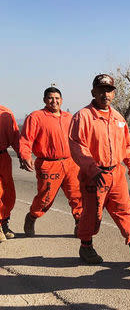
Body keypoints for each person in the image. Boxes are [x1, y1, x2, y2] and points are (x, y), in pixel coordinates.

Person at [69, 74, 130, 264]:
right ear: (93, 92)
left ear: (114, 94)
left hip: (116, 173)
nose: (105, 94)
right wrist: (92, 169)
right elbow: (77, 146)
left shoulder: (118, 117)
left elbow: (126, 143)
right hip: (94, 175)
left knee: (124, 209)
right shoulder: (83, 117)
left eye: (109, 90)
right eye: (101, 90)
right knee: (92, 213)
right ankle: (86, 247)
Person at [20, 87, 82, 237]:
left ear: (61, 100)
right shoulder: (36, 117)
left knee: (77, 196)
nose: (54, 101)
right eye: (50, 98)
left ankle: (80, 225)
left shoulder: (69, 117)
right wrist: (25, 155)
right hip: (48, 165)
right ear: (44, 100)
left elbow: (79, 139)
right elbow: (26, 139)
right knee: (45, 199)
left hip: (70, 163)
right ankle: (32, 217)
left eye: (57, 98)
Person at [0, 105, 20, 242]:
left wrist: (22, 155)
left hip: (3, 157)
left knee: (8, 194)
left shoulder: (6, 112)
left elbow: (15, 136)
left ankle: (4, 223)